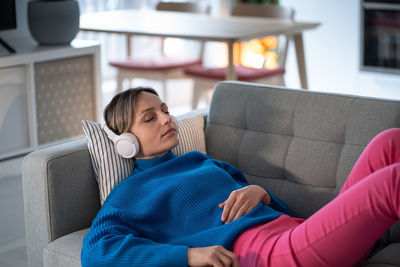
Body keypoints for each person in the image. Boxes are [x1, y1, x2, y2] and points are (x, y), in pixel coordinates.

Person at [81, 87, 400, 267]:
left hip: (297, 233)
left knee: (390, 142)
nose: (166, 118)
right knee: (392, 183)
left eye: (165, 109)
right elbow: (95, 252)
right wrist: (187, 256)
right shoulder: (129, 192)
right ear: (126, 141)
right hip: (269, 255)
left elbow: (279, 212)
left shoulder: (199, 161)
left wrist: (260, 192)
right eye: (150, 117)